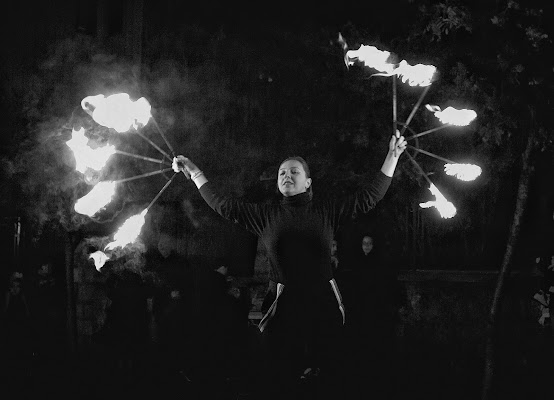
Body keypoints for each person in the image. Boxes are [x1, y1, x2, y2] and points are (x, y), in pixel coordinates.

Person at [172, 132, 406, 399]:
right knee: (279, 370)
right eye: (282, 172)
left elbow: (370, 197)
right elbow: (223, 205)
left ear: (307, 182)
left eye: (294, 171)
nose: (286, 175)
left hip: (323, 299)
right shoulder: (266, 215)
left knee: (330, 366)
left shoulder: (326, 211)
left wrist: (392, 156)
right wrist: (195, 171)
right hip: (283, 301)